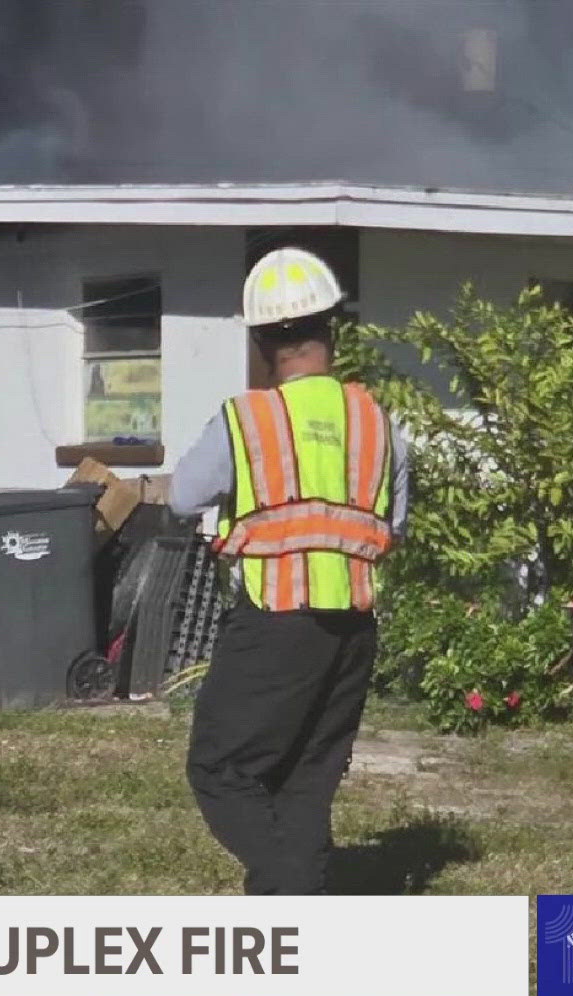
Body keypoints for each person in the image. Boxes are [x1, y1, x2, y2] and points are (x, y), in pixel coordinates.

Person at [168, 247, 410, 895]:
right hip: (353, 629)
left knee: (220, 769)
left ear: (261, 341)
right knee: (308, 776)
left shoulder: (247, 420)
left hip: (274, 620)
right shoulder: (378, 423)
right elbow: (394, 524)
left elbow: (183, 496)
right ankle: (297, 911)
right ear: (333, 329)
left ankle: (294, 894)